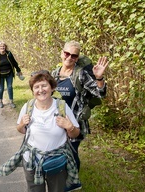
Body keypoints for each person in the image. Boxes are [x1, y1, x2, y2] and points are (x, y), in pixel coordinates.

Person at [0, 71, 81, 192]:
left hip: (56, 161)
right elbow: (20, 130)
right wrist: (21, 124)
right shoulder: (28, 106)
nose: (40, 90)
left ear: (52, 87)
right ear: (33, 91)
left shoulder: (62, 107)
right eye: (36, 87)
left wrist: (70, 127)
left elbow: (76, 133)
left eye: (44, 85)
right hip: (31, 161)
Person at [54, 41, 108, 191]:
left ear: (77, 58)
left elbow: (100, 93)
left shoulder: (80, 74)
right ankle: (62, 177)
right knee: (60, 151)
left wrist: (99, 78)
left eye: (74, 55)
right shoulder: (54, 73)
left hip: (76, 123)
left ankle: (72, 183)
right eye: (67, 53)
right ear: (62, 53)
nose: (69, 57)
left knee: (71, 152)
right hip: (58, 123)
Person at [0, 41, 23, 108]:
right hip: (0, 75)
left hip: (9, 73)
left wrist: (18, 70)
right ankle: (0, 101)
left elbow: (14, 62)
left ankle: (11, 102)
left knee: (9, 87)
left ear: (5, 47)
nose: (2, 47)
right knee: (1, 89)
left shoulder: (9, 54)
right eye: (1, 46)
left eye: (3, 46)